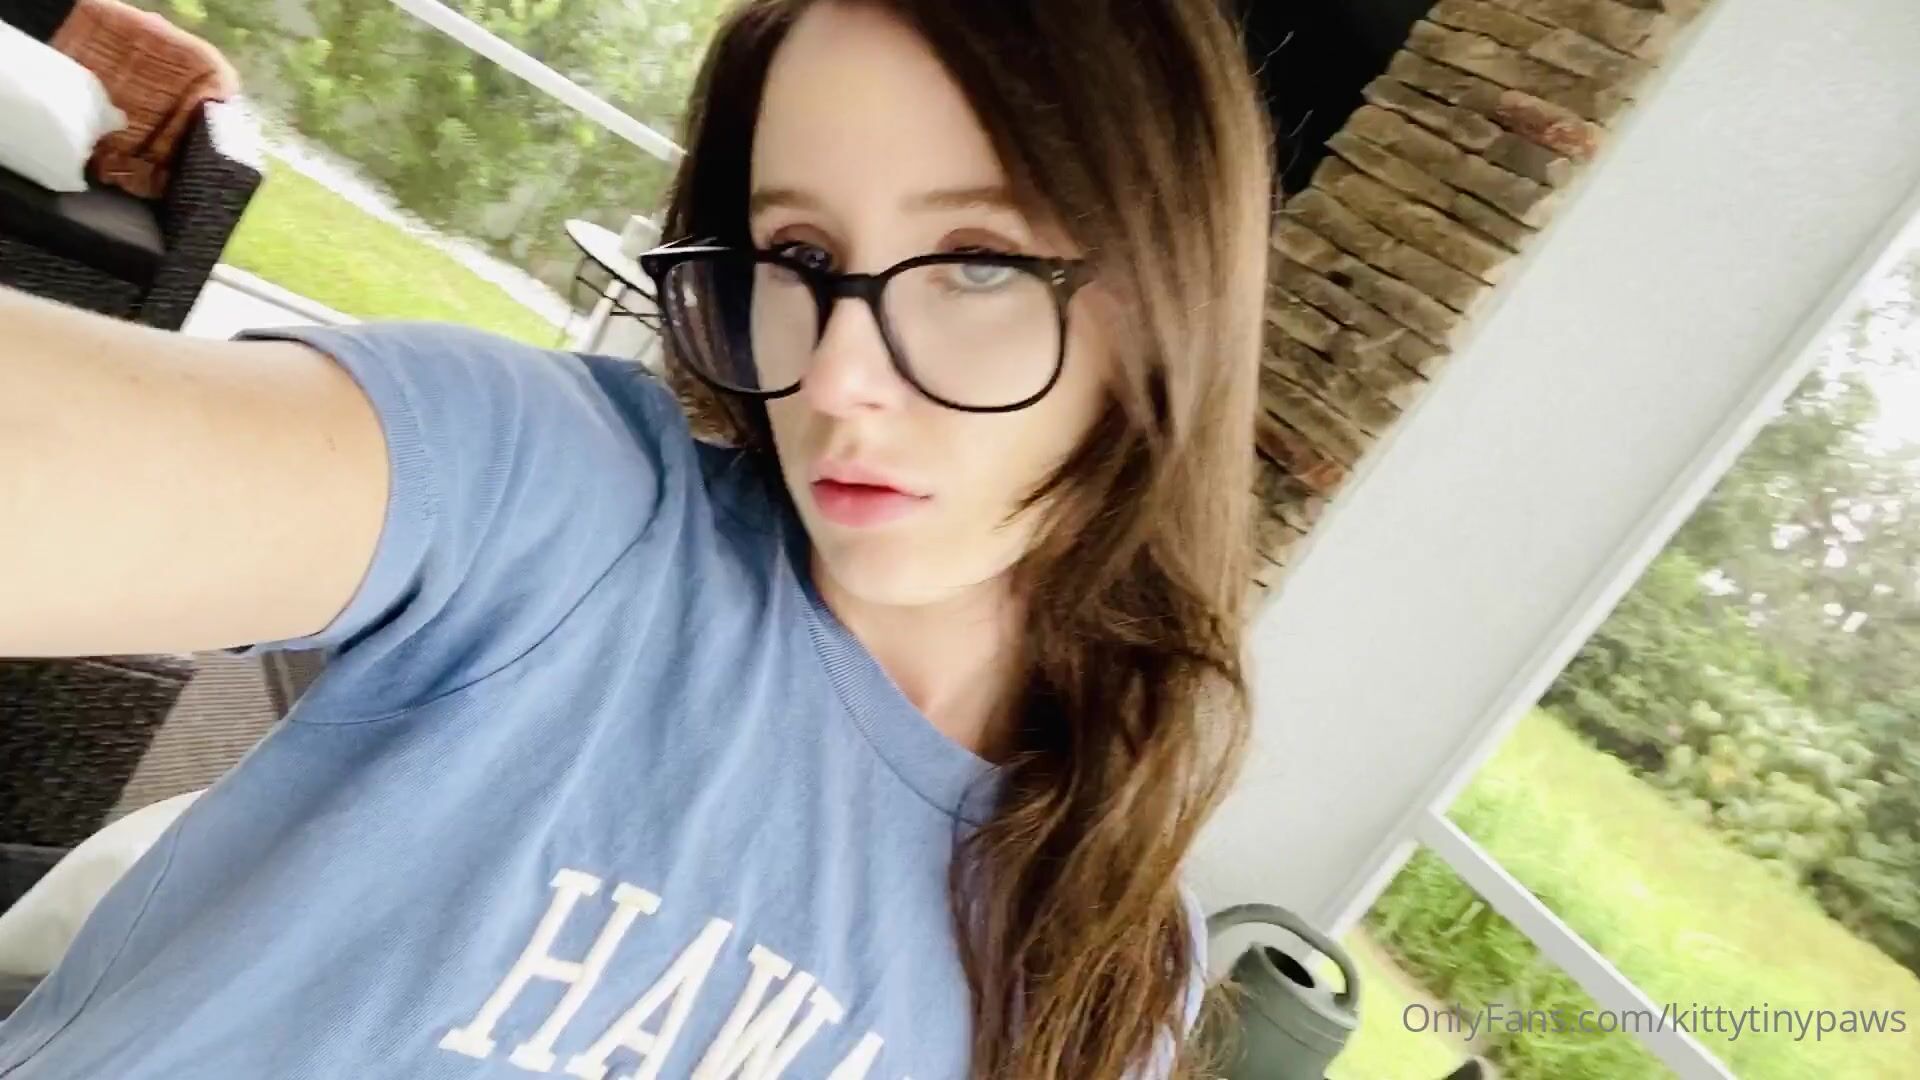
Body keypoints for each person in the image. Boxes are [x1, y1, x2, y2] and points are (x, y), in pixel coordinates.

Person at [0, 0, 1273, 1075]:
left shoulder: (1115, 957)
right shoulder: (570, 501)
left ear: (1172, 303)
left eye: (980, 261)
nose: (835, 378)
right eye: (797, 253)